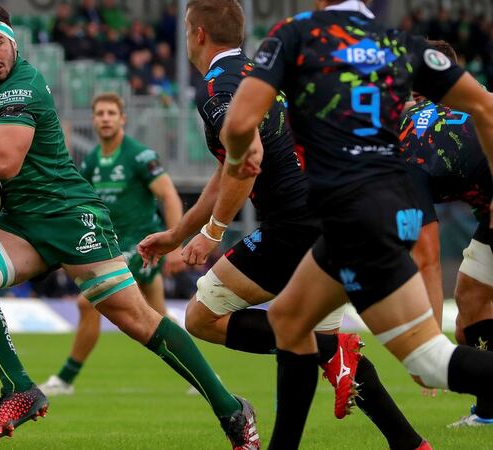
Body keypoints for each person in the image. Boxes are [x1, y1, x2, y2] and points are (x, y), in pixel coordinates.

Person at [0, 4, 258, 448]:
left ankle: (231, 410)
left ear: (12, 41)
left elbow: (4, 161)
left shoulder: (25, 84)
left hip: (69, 215)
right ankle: (20, 389)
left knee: (137, 319)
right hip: (20, 223)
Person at [139, 2, 428, 449]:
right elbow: (226, 169)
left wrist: (213, 233)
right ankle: (411, 444)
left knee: (203, 315)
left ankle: (330, 356)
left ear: (197, 34)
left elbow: (245, 159)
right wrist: (178, 234)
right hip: (331, 214)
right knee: (324, 341)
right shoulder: (261, 74)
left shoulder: (218, 88)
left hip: (294, 224)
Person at [222, 0, 493, 448]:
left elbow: (239, 120)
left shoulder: (299, 34)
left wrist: (238, 153)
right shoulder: (399, 43)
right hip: (380, 208)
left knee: (429, 360)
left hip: (356, 213)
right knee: (290, 319)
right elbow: (485, 107)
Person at [39, 92, 185, 396]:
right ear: (93, 120)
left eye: (111, 113)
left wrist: (175, 244)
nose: (105, 118)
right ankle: (201, 377)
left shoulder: (140, 156)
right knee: (157, 318)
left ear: (122, 119)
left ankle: (65, 380)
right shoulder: (92, 160)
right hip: (111, 246)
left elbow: (169, 195)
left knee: (88, 301)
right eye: (100, 113)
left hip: (141, 245)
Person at [403, 41, 493, 428]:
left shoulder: (406, 141)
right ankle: (488, 413)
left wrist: (428, 349)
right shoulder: (476, 99)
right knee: (470, 304)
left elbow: (427, 258)